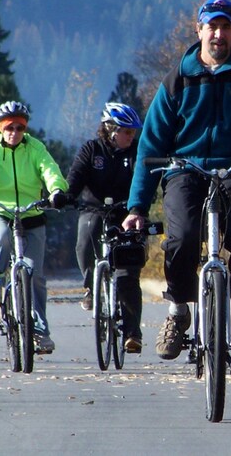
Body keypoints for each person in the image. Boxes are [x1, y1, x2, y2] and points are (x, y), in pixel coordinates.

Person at [122, 0, 231, 373]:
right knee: (180, 239)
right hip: (186, 171)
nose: (218, 33)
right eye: (211, 26)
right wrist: (136, 208)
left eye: (225, 26)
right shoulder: (177, 79)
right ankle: (179, 309)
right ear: (198, 31)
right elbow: (150, 145)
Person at [0, 101, 69, 354]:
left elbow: (50, 170)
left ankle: (41, 332)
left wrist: (56, 190)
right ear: (1, 128)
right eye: (9, 127)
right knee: (0, 236)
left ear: (25, 128)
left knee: (36, 278)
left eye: (20, 127)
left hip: (31, 213)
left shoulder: (35, 147)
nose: (14, 132)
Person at [56, 102, 145, 353]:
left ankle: (132, 333)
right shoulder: (91, 149)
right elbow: (76, 177)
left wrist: (139, 208)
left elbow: (144, 178)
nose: (131, 136)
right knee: (86, 237)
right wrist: (67, 195)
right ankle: (91, 287)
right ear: (111, 129)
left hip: (126, 213)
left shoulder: (136, 152)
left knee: (128, 272)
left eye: (133, 132)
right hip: (93, 210)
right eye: (127, 131)